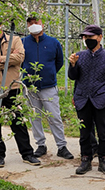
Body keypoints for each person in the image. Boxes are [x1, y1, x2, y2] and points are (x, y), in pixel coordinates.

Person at [0, 15, 41, 168]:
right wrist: (7, 61)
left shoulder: (14, 39)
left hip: (11, 87)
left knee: (17, 120)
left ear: (1, 23)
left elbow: (19, 57)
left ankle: (27, 153)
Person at [68, 25, 105, 176]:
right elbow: (73, 77)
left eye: (91, 37)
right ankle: (86, 160)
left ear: (100, 37)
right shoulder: (79, 56)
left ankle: (104, 160)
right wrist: (72, 65)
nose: (88, 40)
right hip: (83, 98)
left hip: (101, 98)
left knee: (103, 132)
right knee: (84, 132)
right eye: (85, 37)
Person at [22, 16, 74, 160]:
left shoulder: (53, 42)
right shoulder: (23, 42)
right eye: (30, 23)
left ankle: (61, 146)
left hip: (48, 86)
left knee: (54, 116)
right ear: (27, 25)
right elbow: (19, 61)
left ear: (42, 24)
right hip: (30, 86)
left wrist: (49, 74)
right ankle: (41, 145)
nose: (34, 25)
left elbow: (59, 61)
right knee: (35, 117)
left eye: (36, 22)